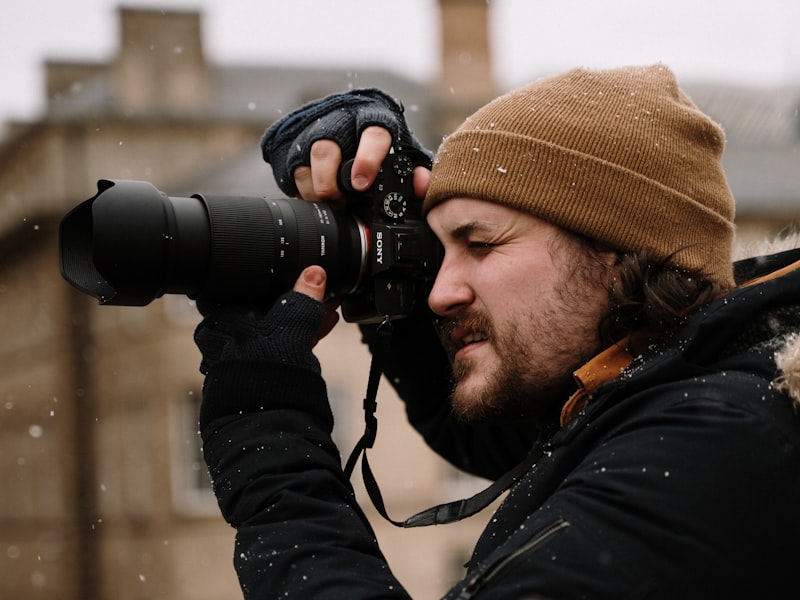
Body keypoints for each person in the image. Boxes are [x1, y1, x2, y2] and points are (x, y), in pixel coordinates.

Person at [193, 65, 800, 598]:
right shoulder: (677, 379)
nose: (438, 292)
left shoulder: (710, 448)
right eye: (441, 251)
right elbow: (490, 434)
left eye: (479, 243)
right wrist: (384, 232)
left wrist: (267, 438)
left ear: (618, 252)